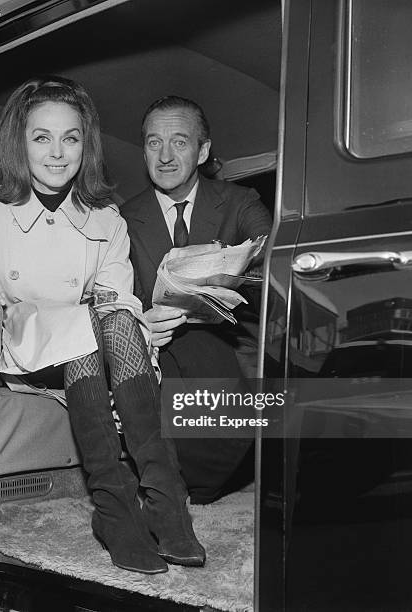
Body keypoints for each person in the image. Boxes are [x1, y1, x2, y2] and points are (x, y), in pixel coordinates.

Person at [0, 77, 204, 574]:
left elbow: (117, 299)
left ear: (85, 144)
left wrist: (127, 321)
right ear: (19, 141)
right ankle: (121, 507)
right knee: (84, 324)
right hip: (22, 345)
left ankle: (160, 503)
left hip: (94, 348)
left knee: (113, 316)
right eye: (42, 137)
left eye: (70, 138)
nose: (57, 153)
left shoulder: (106, 221)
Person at [120, 96, 273, 504]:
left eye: (179, 142)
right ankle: (191, 483)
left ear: (203, 151)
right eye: (154, 143)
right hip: (161, 346)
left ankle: (202, 478)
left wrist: (229, 278)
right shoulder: (121, 219)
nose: (165, 156)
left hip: (230, 341)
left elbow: (277, 270)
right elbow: (112, 295)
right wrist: (142, 320)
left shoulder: (241, 202)